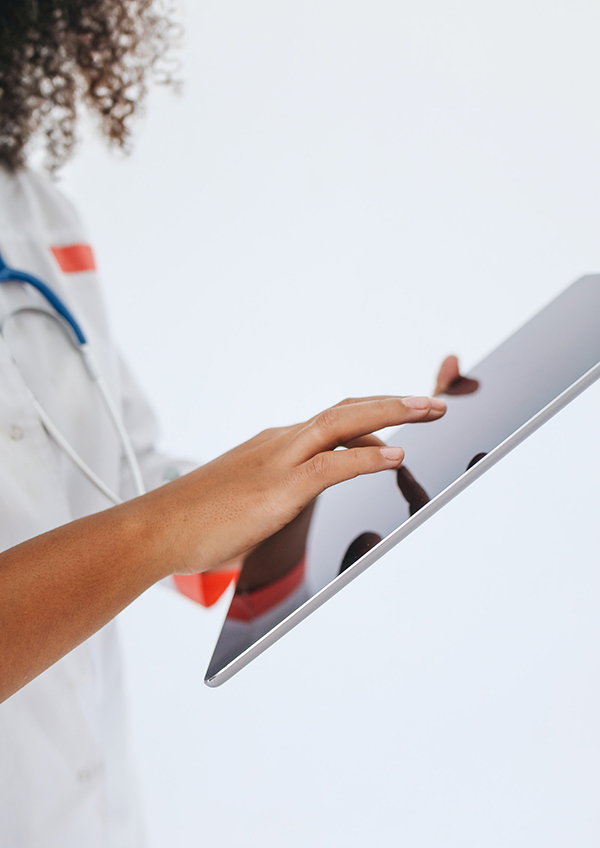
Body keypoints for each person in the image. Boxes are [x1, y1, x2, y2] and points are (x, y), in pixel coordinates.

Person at [0, 2, 460, 845]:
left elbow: (123, 483)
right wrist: (163, 529)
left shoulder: (31, 212)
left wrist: (316, 484)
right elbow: (149, 526)